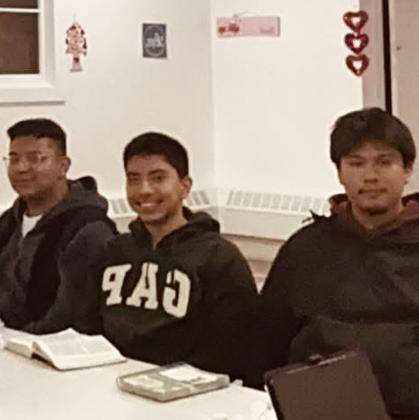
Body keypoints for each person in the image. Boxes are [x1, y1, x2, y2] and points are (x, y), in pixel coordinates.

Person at [260, 107, 419, 418]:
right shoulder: (305, 248)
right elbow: (267, 341)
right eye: (356, 163)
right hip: (318, 409)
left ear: (407, 169)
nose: (370, 176)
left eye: (384, 162)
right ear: (339, 172)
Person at [99, 132, 258, 384]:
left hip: (188, 391)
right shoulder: (113, 251)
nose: (144, 190)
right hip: (111, 382)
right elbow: (89, 326)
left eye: (158, 178)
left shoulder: (219, 257)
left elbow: (229, 350)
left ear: (185, 186)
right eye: (133, 179)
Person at [0, 118, 116, 334]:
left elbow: (70, 316)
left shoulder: (88, 229)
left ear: (63, 166)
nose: (21, 168)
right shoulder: (9, 222)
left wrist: (16, 340)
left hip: (54, 344)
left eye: (34, 158)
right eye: (14, 159)